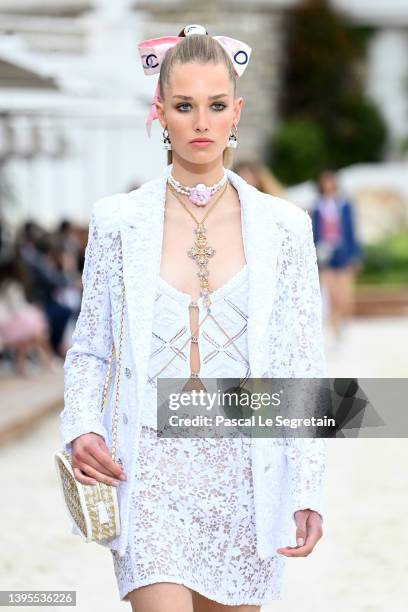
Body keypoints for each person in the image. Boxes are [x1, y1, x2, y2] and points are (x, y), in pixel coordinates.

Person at [59, 24, 328, 611]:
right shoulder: (117, 222)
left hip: (245, 473)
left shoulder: (284, 228)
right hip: (148, 469)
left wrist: (307, 487)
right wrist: (83, 427)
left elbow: (301, 365)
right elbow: (91, 348)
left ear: (237, 111)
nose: (201, 123)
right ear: (160, 113)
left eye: (215, 106)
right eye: (184, 106)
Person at [311, 169, 362, 342]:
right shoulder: (318, 207)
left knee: (345, 294)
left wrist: (355, 255)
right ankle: (335, 329)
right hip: (325, 253)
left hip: (344, 253)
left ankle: (344, 322)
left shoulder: (345, 205)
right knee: (330, 294)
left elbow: (352, 231)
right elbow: (316, 233)